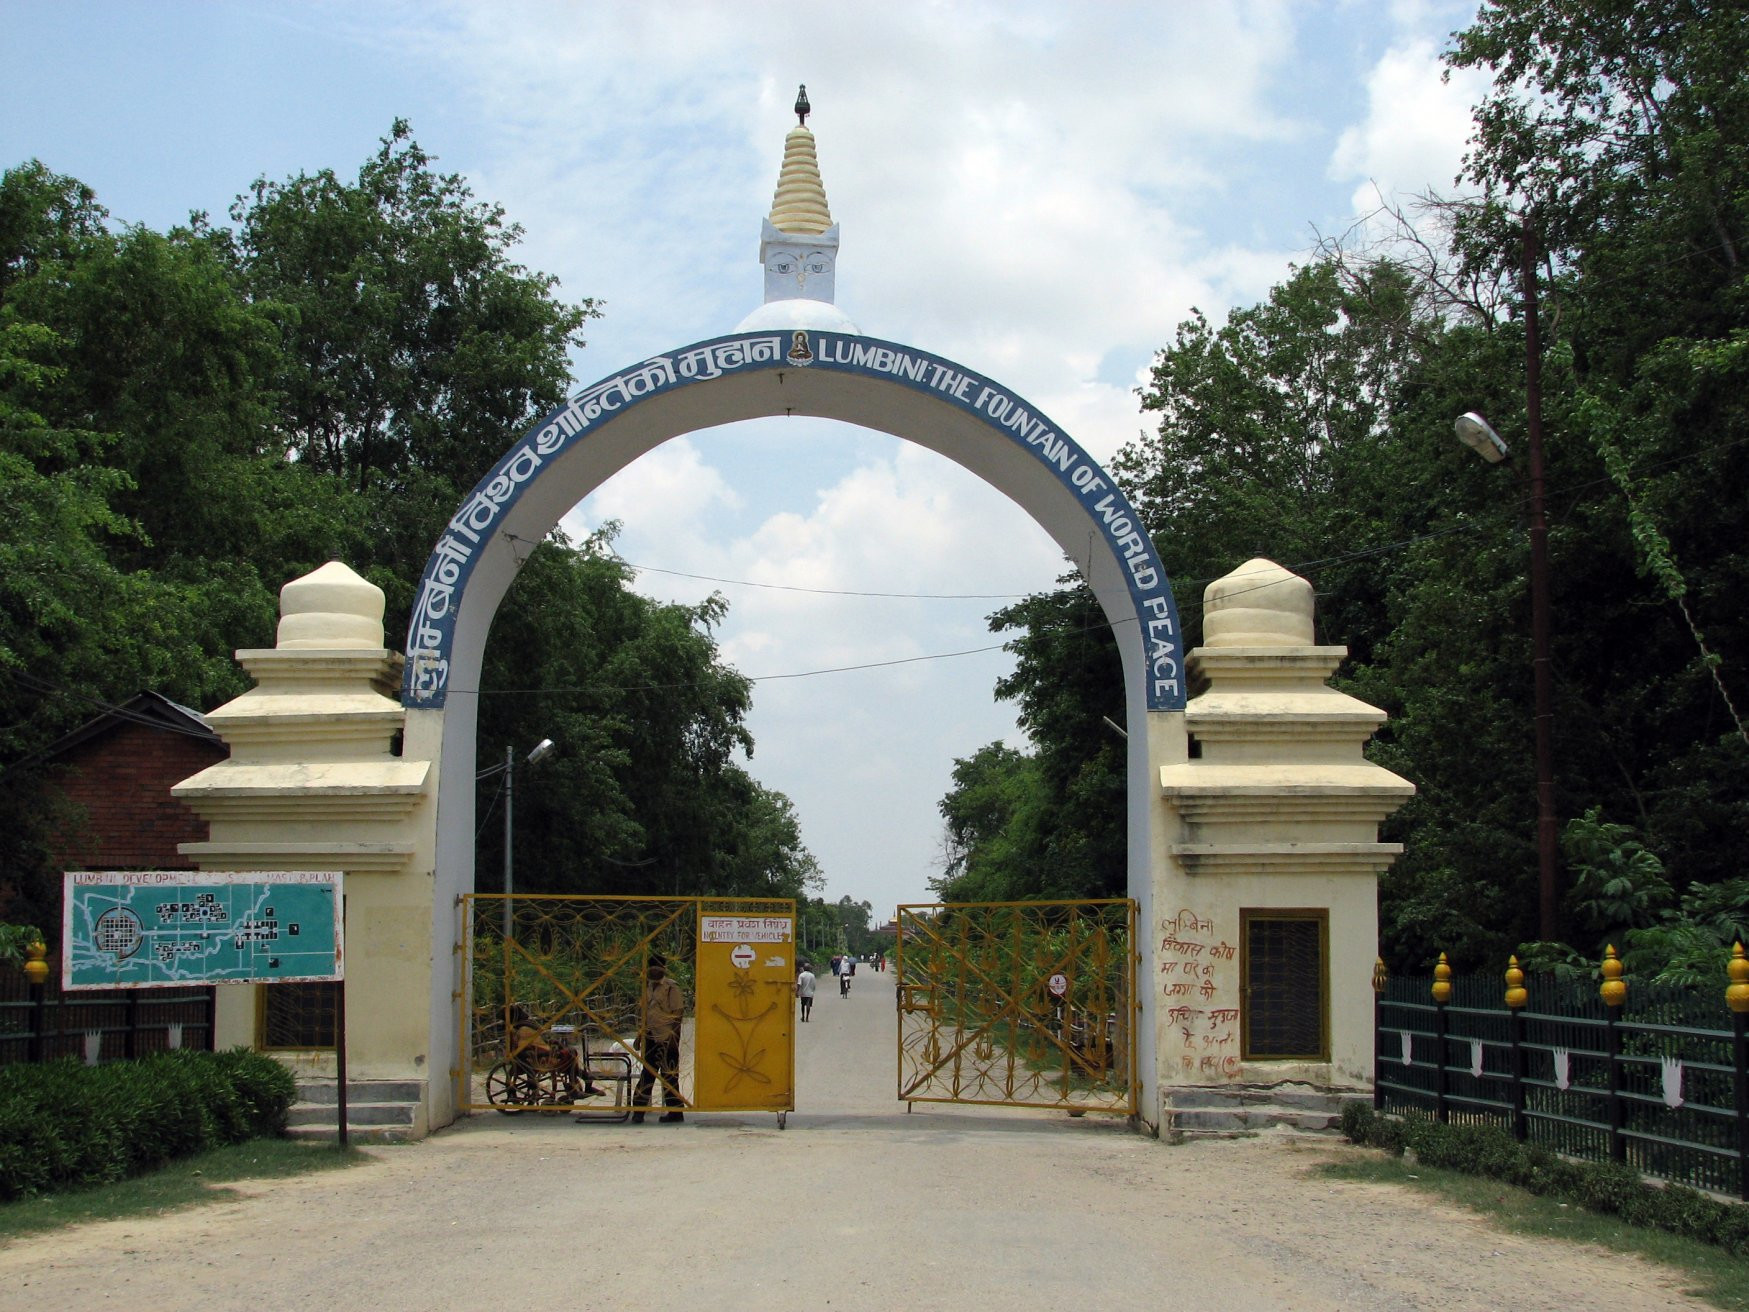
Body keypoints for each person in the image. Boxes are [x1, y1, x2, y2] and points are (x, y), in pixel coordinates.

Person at [631, 954, 686, 1124]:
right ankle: (638, 1110)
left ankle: (675, 1112)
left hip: (666, 1037)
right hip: (650, 1036)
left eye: (657, 969)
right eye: (651, 969)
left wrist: (673, 1038)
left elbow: (678, 1014)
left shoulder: (670, 988)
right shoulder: (646, 987)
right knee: (647, 1073)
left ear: (663, 970)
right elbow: (646, 1014)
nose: (653, 972)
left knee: (669, 1075)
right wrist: (640, 1036)